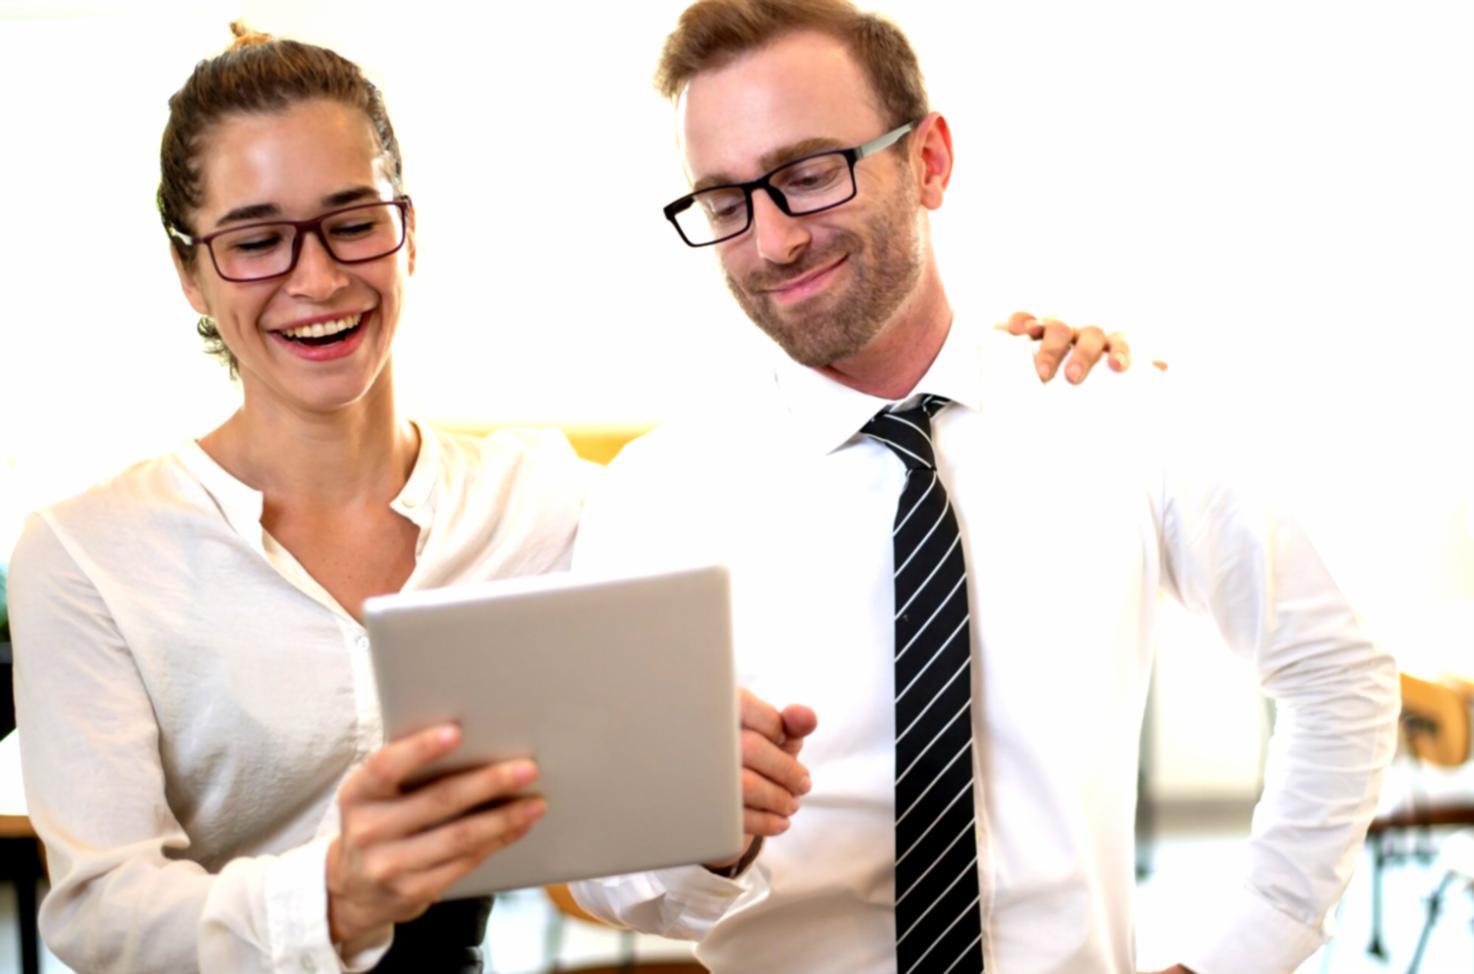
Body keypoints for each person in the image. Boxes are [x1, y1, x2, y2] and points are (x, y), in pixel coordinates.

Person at [6, 21, 1127, 974]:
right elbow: (97, 913)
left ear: (406, 230)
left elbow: (797, 477)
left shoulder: (549, 505)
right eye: (256, 241)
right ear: (190, 272)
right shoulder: (89, 552)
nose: (317, 276)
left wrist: (994, 374)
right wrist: (334, 899)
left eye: (353, 220)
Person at [566, 3, 1401, 973]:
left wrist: (1246, 948)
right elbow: (607, 880)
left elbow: (1336, 670)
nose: (772, 242)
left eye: (805, 176)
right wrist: (705, 836)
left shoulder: (1111, 409)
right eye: (724, 202)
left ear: (927, 160)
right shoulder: (658, 495)